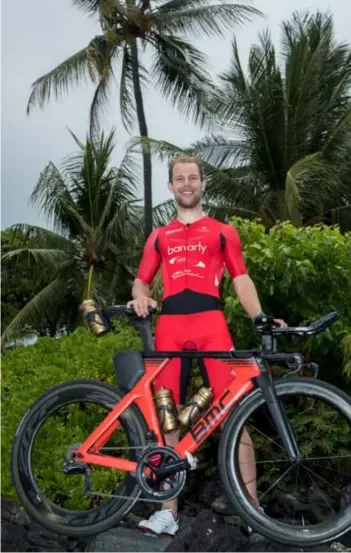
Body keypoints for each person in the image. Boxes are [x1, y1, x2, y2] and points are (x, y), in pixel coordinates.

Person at [127, 154, 287, 536]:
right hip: (169, 324)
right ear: (170, 186)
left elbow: (241, 279)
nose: (186, 184)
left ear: (202, 184)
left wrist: (259, 316)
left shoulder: (222, 232)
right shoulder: (158, 237)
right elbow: (141, 281)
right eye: (179, 179)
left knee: (235, 413)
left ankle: (254, 510)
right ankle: (168, 512)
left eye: (193, 178)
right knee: (167, 420)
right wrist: (140, 296)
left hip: (211, 323)